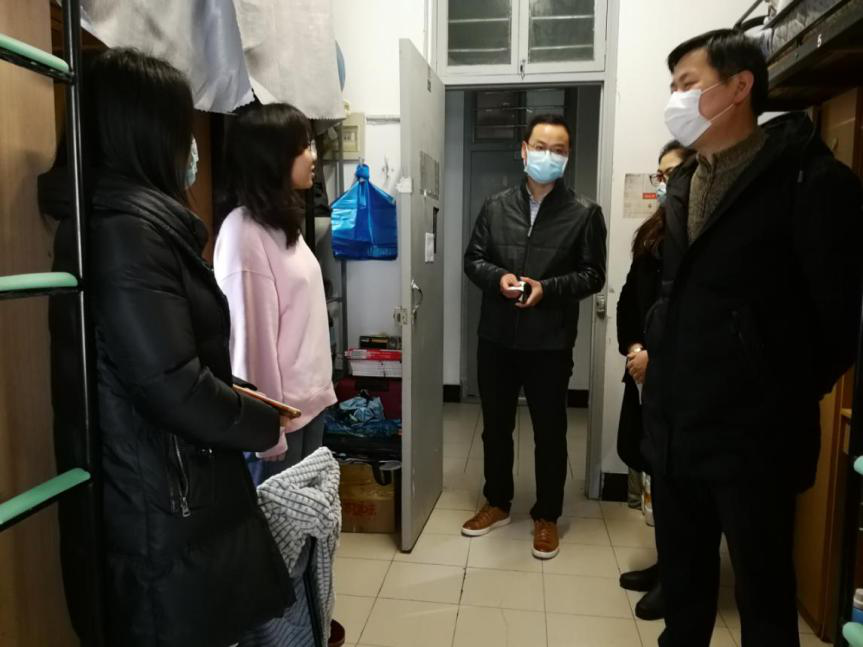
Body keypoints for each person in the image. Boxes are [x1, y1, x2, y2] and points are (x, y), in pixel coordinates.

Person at [45, 49, 295, 647]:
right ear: (146, 133)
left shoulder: (129, 223)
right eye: (184, 129)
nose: (193, 147)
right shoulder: (126, 234)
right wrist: (258, 422)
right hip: (158, 504)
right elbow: (172, 386)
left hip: (165, 489)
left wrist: (239, 396)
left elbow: (166, 361)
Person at [642, 29, 863, 646]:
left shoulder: (811, 182)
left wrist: (767, 390)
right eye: (672, 87)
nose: (676, 100)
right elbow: (677, 293)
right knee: (684, 596)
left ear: (739, 87)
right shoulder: (686, 183)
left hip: (754, 443)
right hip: (677, 430)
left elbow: (839, 324)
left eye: (688, 84)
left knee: (763, 601)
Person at [462, 113, 607, 560]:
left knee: (550, 432)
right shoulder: (495, 206)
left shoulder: (585, 213)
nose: (549, 156)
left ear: (567, 157)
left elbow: (593, 275)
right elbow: (473, 260)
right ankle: (497, 502)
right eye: (541, 147)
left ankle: (547, 516)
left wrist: (548, 289)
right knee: (496, 428)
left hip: (550, 342)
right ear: (524, 150)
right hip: (497, 338)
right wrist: (499, 279)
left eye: (559, 150)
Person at [215, 103, 337, 485]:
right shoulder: (244, 233)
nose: (313, 156)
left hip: (310, 407)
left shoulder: (282, 225)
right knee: (278, 523)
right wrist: (266, 431)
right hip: (279, 423)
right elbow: (251, 346)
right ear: (272, 157)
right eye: (303, 147)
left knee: (311, 520)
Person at [616, 140, 696, 622]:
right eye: (661, 175)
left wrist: (657, 358)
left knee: (683, 489)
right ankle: (667, 565)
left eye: (675, 174)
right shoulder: (653, 231)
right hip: (644, 372)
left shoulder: (702, 230)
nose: (666, 184)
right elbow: (630, 298)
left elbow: (694, 317)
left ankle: (680, 582)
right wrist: (633, 348)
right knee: (658, 480)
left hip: (680, 383)